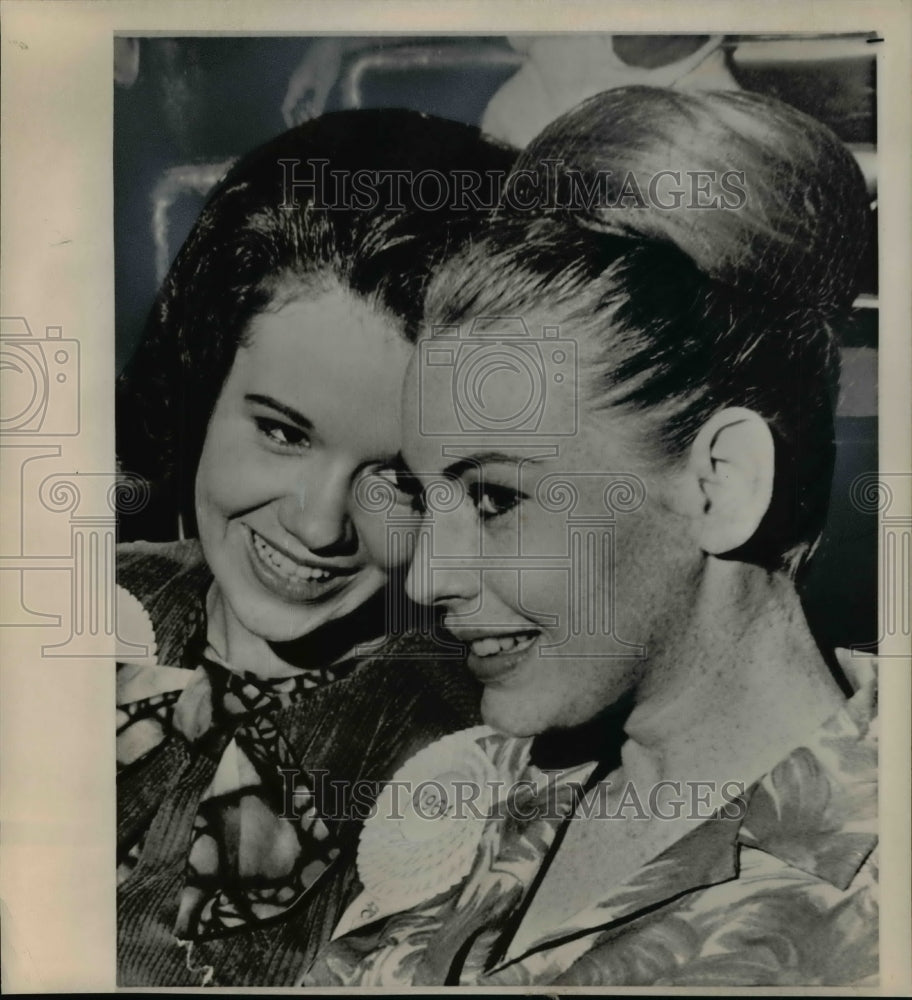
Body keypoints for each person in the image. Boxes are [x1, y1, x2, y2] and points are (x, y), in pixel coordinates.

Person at [305, 87, 877, 987]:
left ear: (720, 483)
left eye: (494, 498)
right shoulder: (462, 790)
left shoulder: (871, 905)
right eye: (424, 495)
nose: (427, 579)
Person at [114, 109, 514, 986]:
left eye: (400, 481)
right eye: (284, 433)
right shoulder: (69, 608)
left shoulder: (475, 754)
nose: (322, 524)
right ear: (202, 380)